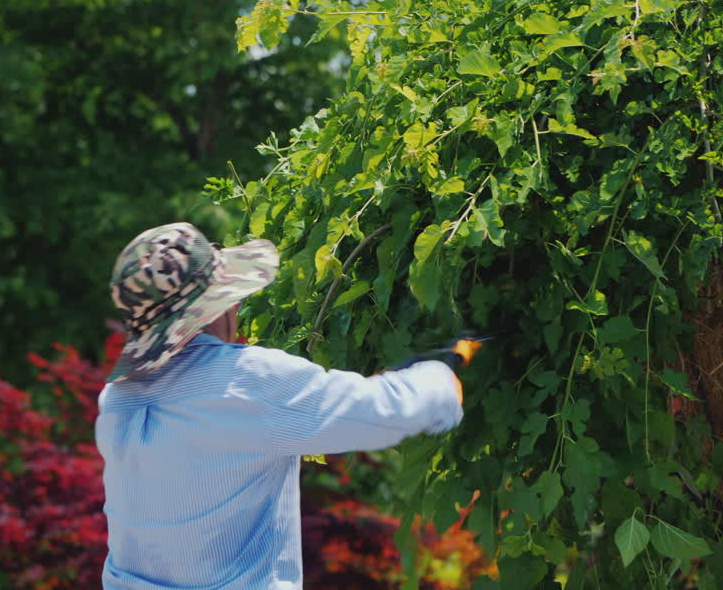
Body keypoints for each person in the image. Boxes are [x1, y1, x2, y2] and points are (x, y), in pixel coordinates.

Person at [95, 222, 468, 590]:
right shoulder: (245, 380)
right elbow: (383, 412)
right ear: (215, 307)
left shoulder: (117, 400)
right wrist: (442, 376)